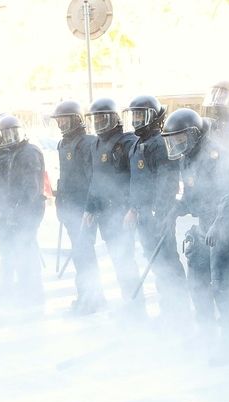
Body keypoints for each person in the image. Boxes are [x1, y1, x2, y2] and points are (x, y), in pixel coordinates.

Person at [162, 108, 229, 365]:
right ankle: (207, 335)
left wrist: (218, 224)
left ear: (193, 134)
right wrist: (173, 211)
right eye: (172, 139)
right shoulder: (187, 158)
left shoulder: (219, 155)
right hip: (203, 228)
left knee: (221, 287)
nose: (176, 143)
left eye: (180, 138)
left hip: (226, 228)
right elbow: (191, 196)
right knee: (196, 284)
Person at [124, 94, 190, 322]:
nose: (136, 120)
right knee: (157, 264)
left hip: (159, 216)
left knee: (167, 263)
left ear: (153, 117)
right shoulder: (137, 144)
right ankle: (167, 310)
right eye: (134, 115)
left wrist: (161, 214)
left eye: (140, 115)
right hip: (143, 215)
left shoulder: (159, 144)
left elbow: (167, 183)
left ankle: (178, 313)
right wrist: (133, 208)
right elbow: (137, 182)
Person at [85, 98, 143, 315]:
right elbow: (95, 179)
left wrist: (133, 207)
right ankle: (128, 303)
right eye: (95, 119)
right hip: (105, 213)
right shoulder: (96, 144)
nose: (99, 123)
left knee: (126, 261)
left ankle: (136, 309)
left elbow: (137, 178)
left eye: (103, 118)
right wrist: (90, 208)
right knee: (117, 260)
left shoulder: (128, 141)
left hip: (122, 212)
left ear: (114, 118)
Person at [53, 100, 103, 314]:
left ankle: (92, 299)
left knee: (85, 255)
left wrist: (90, 209)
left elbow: (94, 178)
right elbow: (64, 178)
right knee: (79, 255)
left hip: (84, 209)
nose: (61, 124)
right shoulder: (63, 144)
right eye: (59, 120)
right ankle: (87, 295)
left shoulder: (88, 143)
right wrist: (59, 204)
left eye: (65, 119)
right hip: (69, 208)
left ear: (77, 119)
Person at [0, 114, 46, 303]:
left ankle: (33, 294)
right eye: (5, 135)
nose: (10, 139)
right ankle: (26, 291)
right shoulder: (13, 152)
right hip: (16, 211)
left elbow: (30, 190)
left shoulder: (28, 152)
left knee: (26, 251)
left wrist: (12, 212)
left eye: (13, 134)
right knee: (19, 251)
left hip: (28, 211)